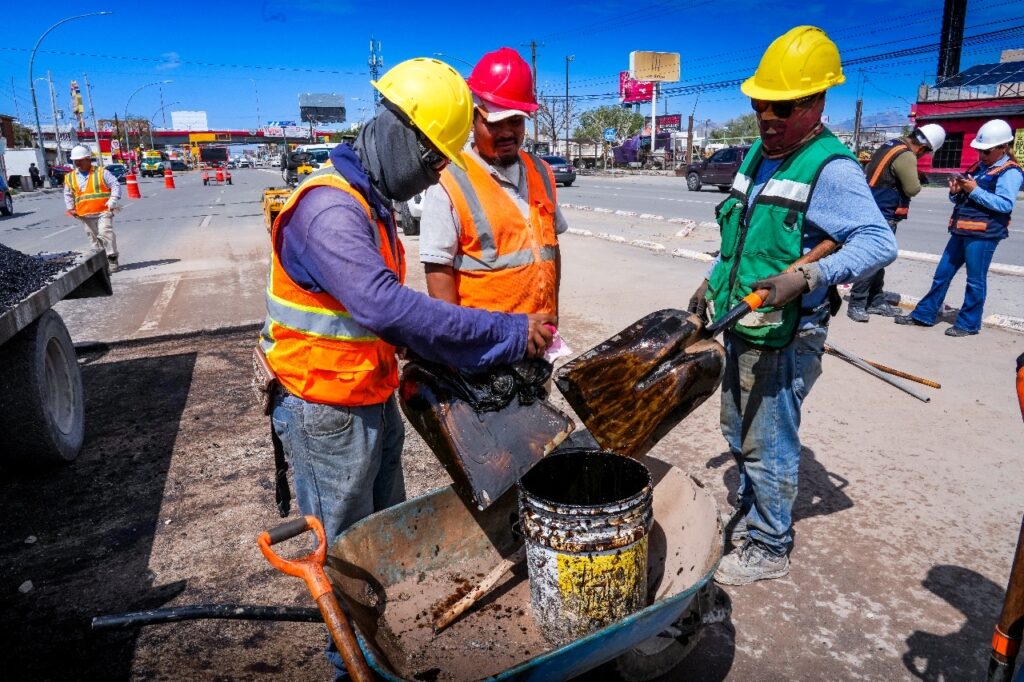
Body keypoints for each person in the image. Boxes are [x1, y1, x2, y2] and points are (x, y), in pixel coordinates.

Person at [259, 57, 555, 676]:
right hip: (327, 412)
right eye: (432, 160)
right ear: (402, 133)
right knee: (344, 558)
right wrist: (504, 333)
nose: (434, 175)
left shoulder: (369, 202)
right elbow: (388, 308)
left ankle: (378, 658)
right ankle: (351, 668)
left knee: (378, 552)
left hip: (366, 397)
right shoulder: (330, 211)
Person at [687, 26, 897, 585]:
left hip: (786, 332)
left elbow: (879, 243)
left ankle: (769, 545)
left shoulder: (831, 168)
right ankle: (755, 507)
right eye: (760, 106)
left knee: (769, 440)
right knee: (737, 428)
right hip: (744, 319)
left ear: (817, 102)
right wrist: (712, 282)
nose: (767, 118)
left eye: (781, 108)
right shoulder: (760, 155)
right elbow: (740, 235)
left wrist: (808, 276)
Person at [419, 47, 567, 317]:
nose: (507, 133)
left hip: (540, 335)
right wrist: (455, 337)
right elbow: (438, 269)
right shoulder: (449, 182)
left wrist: (552, 314)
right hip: (483, 340)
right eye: (495, 123)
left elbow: (551, 249)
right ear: (473, 120)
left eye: (516, 121)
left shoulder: (542, 171)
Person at [895, 119, 1022, 337]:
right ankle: (924, 315)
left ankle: (968, 324)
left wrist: (974, 190)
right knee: (942, 274)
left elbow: (1004, 204)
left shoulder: (1010, 172)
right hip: (961, 230)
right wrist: (956, 192)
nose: (981, 155)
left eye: (986, 151)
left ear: (1003, 147)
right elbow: (964, 199)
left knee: (974, 281)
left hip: (983, 235)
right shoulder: (979, 167)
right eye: (979, 150)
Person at [847, 124, 946, 322]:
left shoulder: (891, 144)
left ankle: (875, 300)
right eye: (926, 153)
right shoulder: (907, 155)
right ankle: (857, 302)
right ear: (924, 147)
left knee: (879, 259)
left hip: (872, 207)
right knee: (873, 259)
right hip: (883, 212)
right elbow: (912, 189)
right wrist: (916, 178)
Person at [63, 145, 121, 270]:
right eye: (75, 161)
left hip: (104, 211)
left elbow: (115, 185)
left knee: (105, 233)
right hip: (84, 214)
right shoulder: (70, 177)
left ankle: (112, 259)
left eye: (80, 161)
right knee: (94, 238)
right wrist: (70, 208)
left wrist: (113, 199)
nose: (78, 164)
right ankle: (101, 262)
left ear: (88, 159)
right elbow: (68, 194)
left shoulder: (101, 172)